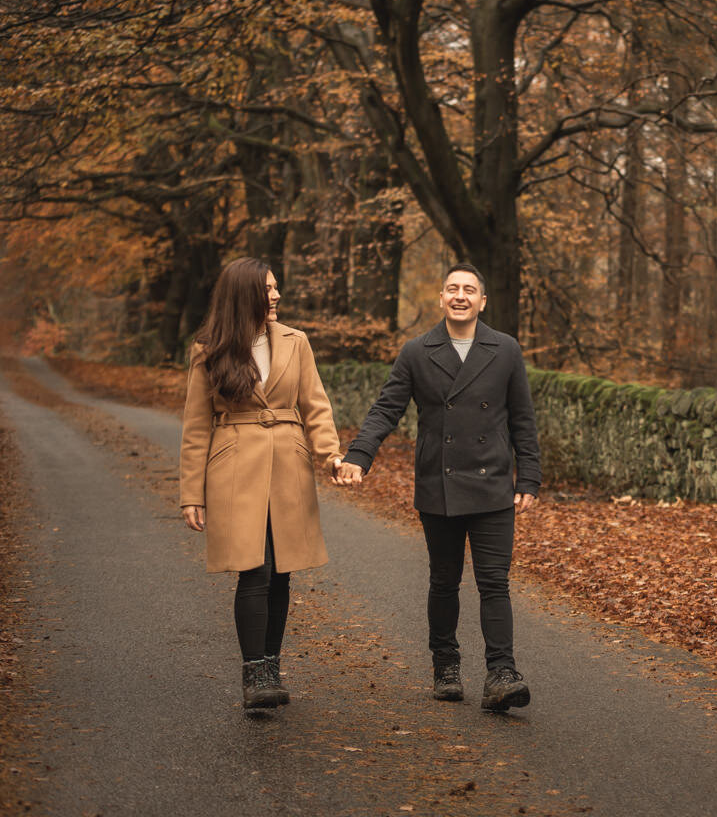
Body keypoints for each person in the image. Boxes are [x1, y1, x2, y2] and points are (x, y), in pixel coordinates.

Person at [337, 263, 541, 712]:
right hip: (439, 484)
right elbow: (385, 409)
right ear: (442, 298)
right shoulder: (416, 351)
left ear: (482, 301)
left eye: (470, 289)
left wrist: (528, 477)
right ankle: (445, 666)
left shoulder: (505, 349)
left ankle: (501, 673)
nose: (461, 295)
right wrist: (359, 455)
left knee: (494, 582)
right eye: (453, 288)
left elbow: (523, 418)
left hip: (493, 487)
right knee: (444, 581)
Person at [179, 257, 345, 710]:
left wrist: (331, 455)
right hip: (235, 465)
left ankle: (271, 664)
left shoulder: (297, 342)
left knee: (282, 570)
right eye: (268, 289)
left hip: (289, 463)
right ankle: (255, 674)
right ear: (243, 294)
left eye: (276, 289)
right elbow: (196, 426)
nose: (276, 296)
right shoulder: (209, 348)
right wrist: (191, 493)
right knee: (255, 567)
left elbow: (316, 406)